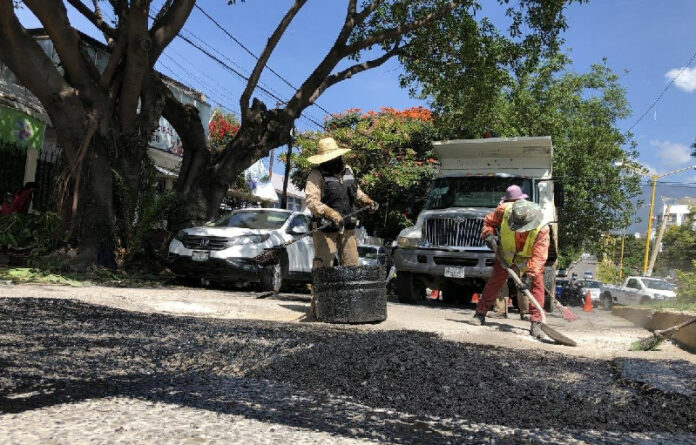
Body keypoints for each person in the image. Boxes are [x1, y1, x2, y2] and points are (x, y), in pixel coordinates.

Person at [305, 137, 378, 317]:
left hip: (347, 228)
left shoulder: (348, 171)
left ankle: (351, 308)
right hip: (325, 230)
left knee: (352, 266)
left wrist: (367, 200)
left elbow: (356, 191)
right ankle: (318, 309)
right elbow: (312, 201)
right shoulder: (316, 175)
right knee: (324, 268)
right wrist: (330, 213)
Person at [471, 198, 550, 339]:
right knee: (495, 282)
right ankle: (480, 313)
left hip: (528, 257)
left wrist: (528, 276)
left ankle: (537, 322)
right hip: (506, 252)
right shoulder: (504, 210)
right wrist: (488, 235)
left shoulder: (542, 228)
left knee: (536, 284)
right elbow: (488, 222)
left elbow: (539, 257)